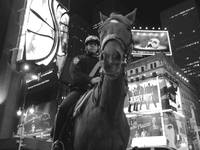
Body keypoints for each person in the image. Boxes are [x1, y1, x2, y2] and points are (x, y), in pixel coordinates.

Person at [52, 35, 101, 150]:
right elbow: (74, 74)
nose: (93, 45)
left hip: (98, 91)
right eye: (90, 44)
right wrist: (90, 80)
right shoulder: (78, 59)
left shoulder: (102, 63)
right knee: (63, 108)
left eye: (95, 44)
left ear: (98, 47)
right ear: (86, 47)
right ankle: (57, 141)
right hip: (80, 91)